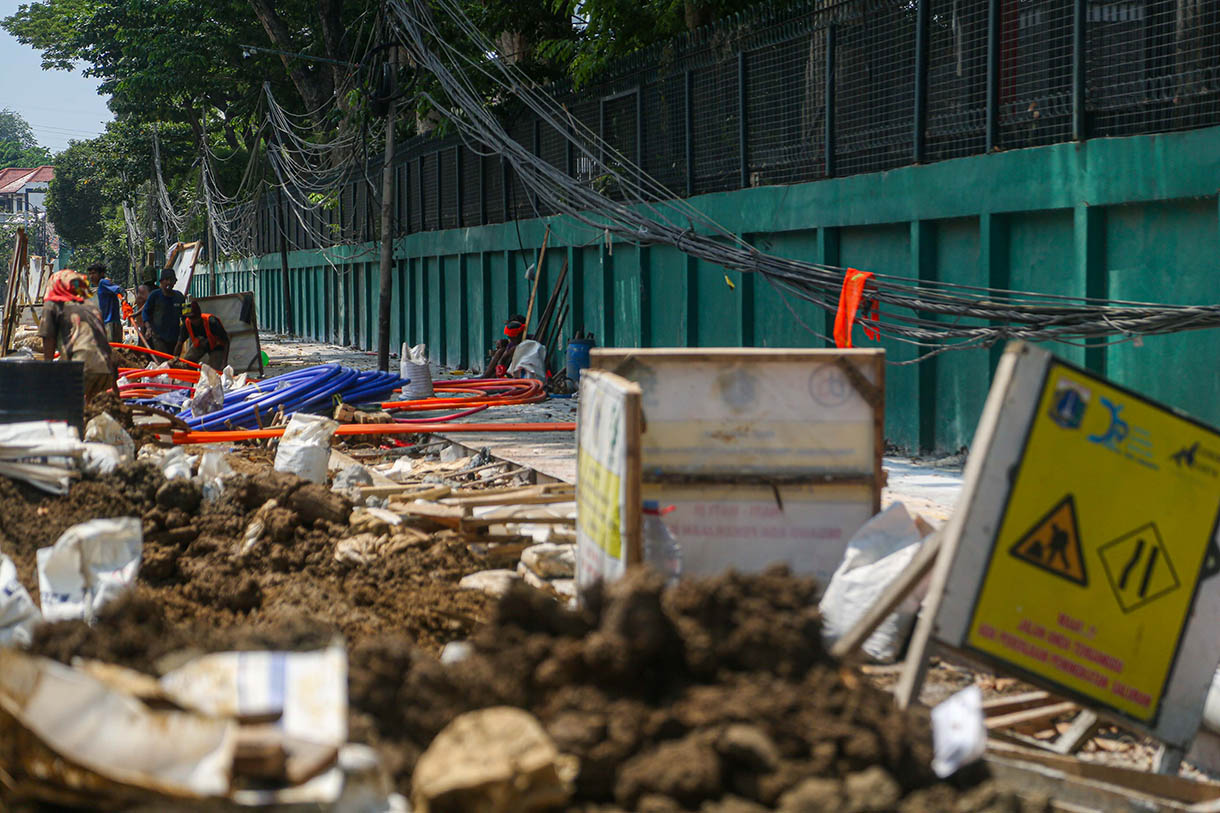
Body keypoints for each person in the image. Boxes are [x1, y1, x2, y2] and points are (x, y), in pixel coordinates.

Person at [38, 270, 119, 400]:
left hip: (79, 369)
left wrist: (49, 373)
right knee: (93, 409)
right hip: (106, 371)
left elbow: (49, 338)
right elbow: (104, 343)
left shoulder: (52, 305)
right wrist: (115, 389)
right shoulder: (91, 307)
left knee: (69, 410)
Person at [174, 300, 230, 370]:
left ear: (199, 315)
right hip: (200, 345)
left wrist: (224, 362)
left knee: (213, 371)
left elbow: (226, 341)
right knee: (186, 363)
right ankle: (191, 378)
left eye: (194, 318)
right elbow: (179, 343)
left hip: (216, 346)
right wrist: (174, 359)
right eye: (190, 318)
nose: (192, 320)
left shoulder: (212, 322)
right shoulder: (186, 324)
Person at [141, 271, 185, 354]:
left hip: (174, 338)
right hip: (158, 337)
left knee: (173, 362)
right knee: (163, 362)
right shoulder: (155, 296)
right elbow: (145, 312)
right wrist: (148, 328)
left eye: (171, 280)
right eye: (166, 280)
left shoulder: (179, 297)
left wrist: (182, 336)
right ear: (161, 282)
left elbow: (186, 316)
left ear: (175, 282)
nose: (169, 282)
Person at [86, 263, 124, 344]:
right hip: (110, 322)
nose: (91, 276)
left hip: (110, 323)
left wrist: (124, 299)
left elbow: (118, 289)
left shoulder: (102, 282)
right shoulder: (101, 286)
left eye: (94, 273)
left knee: (111, 350)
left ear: (102, 274)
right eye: (90, 274)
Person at [481, 314, 527, 378]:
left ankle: (489, 378)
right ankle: (486, 377)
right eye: (509, 337)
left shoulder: (529, 341)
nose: (511, 339)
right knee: (500, 351)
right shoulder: (511, 344)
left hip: (518, 369)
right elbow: (503, 359)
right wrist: (500, 368)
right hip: (506, 368)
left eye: (513, 336)